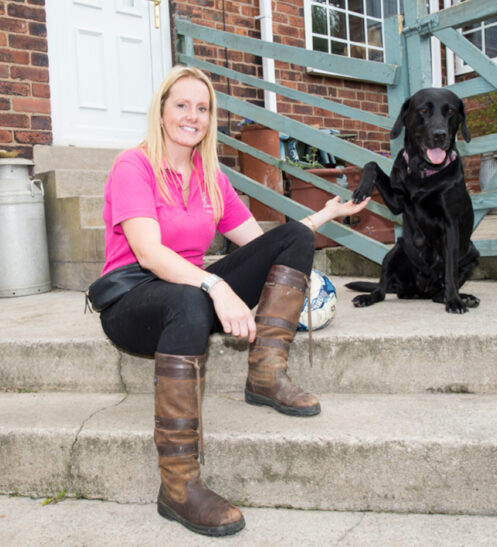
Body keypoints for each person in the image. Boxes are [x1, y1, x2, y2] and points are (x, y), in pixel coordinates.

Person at [97, 65, 369, 537]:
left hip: (191, 289)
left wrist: (323, 215)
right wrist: (215, 286)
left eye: (202, 109)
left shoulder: (210, 176)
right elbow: (149, 252)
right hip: (134, 298)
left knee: (293, 239)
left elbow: (255, 242)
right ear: (161, 112)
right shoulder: (133, 166)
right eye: (181, 105)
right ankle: (178, 487)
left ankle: (265, 375)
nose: (193, 116)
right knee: (190, 298)